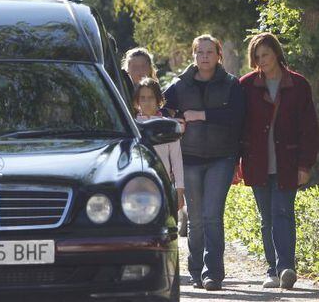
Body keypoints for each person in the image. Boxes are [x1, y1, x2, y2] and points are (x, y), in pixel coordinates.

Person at [162, 34, 245, 291]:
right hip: (188, 159)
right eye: (200, 52)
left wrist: (201, 115)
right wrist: (174, 120)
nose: (205, 56)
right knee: (195, 219)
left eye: (210, 52)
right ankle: (195, 270)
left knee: (212, 216)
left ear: (219, 55)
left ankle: (213, 274)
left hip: (221, 158)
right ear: (194, 56)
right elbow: (162, 109)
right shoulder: (179, 85)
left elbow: (237, 116)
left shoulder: (231, 84)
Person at [240, 32, 319, 289]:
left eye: (265, 54)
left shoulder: (298, 84)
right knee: (267, 217)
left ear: (276, 53)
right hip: (257, 161)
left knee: (283, 212)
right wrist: (237, 160)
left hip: (288, 161)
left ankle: (286, 267)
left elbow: (309, 129)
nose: (261, 60)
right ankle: (271, 270)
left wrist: (305, 165)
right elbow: (239, 127)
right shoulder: (246, 85)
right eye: (257, 56)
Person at [134, 77, 185, 210]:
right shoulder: (131, 126)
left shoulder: (168, 125)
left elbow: (177, 160)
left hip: (163, 185)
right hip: (135, 186)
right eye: (142, 98)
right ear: (137, 101)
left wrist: (179, 192)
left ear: (158, 100)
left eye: (150, 97)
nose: (146, 102)